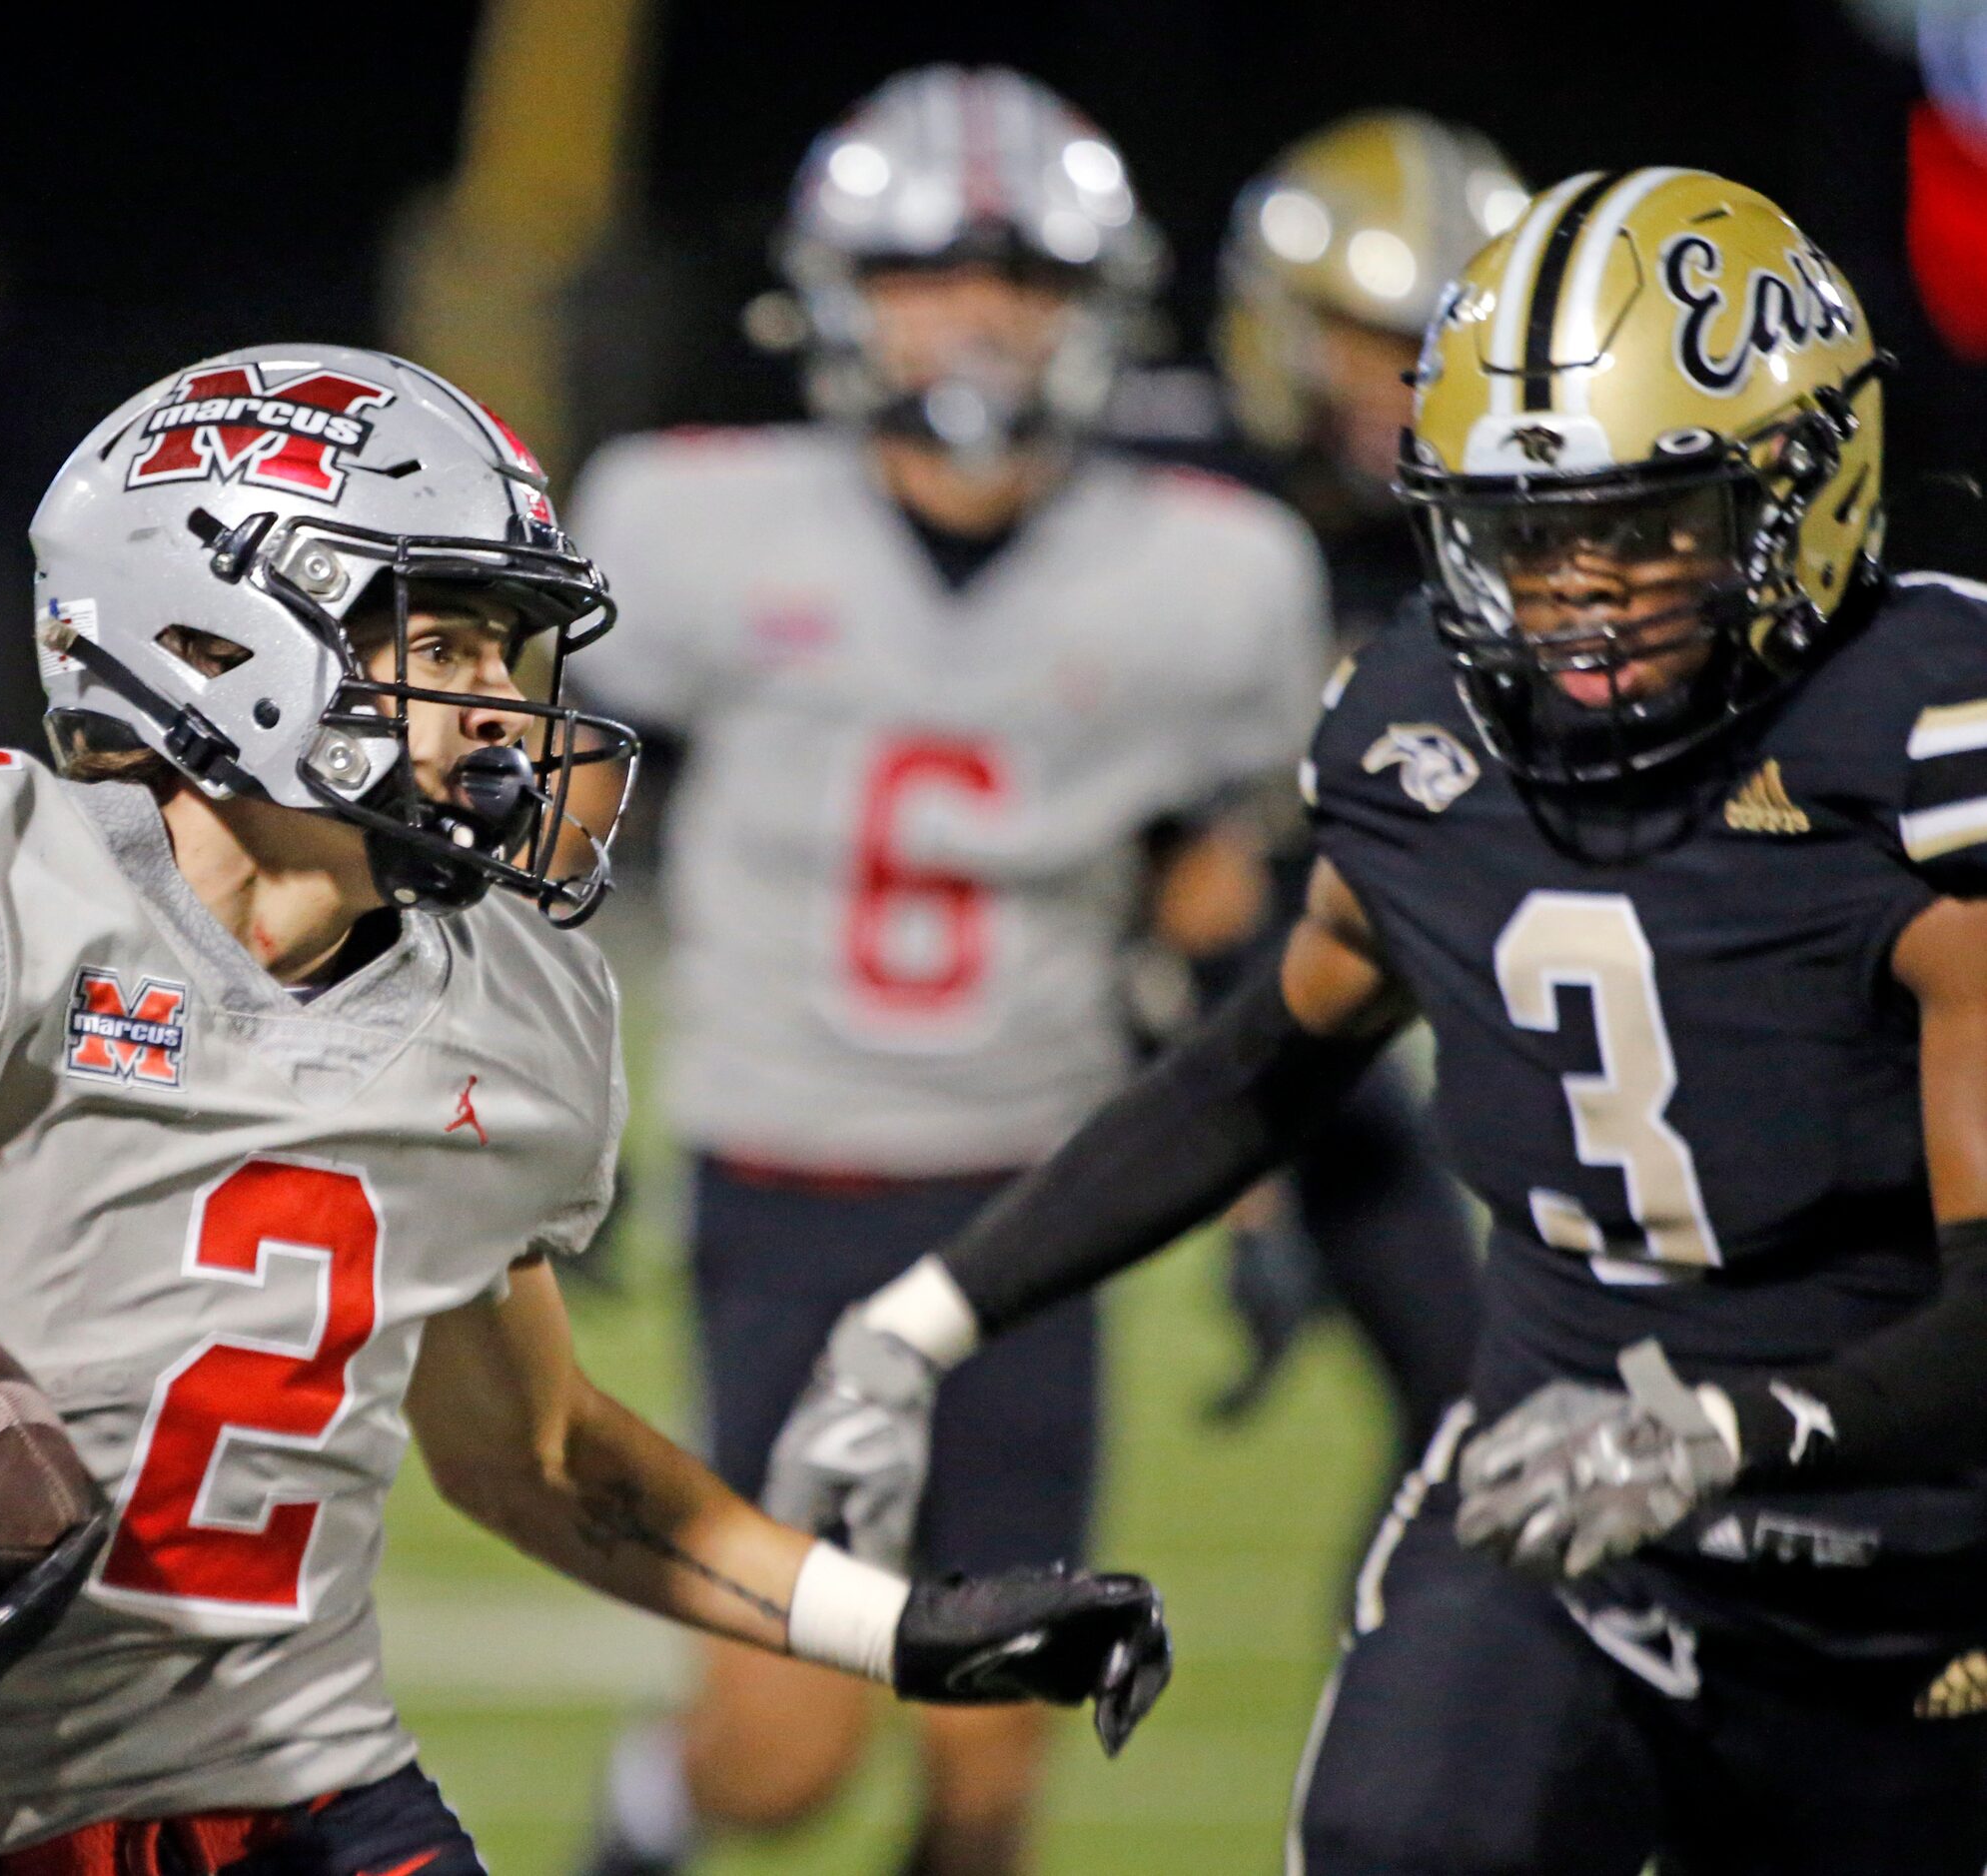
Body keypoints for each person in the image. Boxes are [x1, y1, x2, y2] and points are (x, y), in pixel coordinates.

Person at [0, 344, 1169, 1876]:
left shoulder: (511, 991)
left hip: (326, 1805)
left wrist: (904, 1628)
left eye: (517, 645)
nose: (507, 701)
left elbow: (543, 1456)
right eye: (444, 638)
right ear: (213, 631)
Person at [764, 171, 1987, 1873]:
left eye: (1641, 528)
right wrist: (919, 1320)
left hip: (1928, 1570)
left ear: (1807, 492)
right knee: (1404, 1836)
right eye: (1522, 532)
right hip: (1567, 1518)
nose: (1570, 595)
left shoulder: (1930, 756)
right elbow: (1267, 1060)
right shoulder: (1423, 736)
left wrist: (1733, 1430)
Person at [566, 68, 1330, 1876]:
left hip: (1034, 1208)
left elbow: (1228, 910)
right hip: (790, 1182)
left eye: (1024, 275)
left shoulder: (1211, 571)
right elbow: (551, 846)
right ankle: (646, 1817)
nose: (977, 312)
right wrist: (541, 1111)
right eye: (925, 271)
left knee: (994, 1765)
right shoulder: (691, 522)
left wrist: (1256, 1198)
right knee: (778, 1754)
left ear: (1102, 304)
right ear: (836, 291)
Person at [1146, 111, 1530, 1449]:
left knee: (1473, 1395)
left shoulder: (1500, 544)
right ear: (1279, 325)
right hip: (1048, 1033)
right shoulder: (1148, 500)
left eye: (1447, 346)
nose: (1411, 386)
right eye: (1376, 339)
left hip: (1316, 1043)